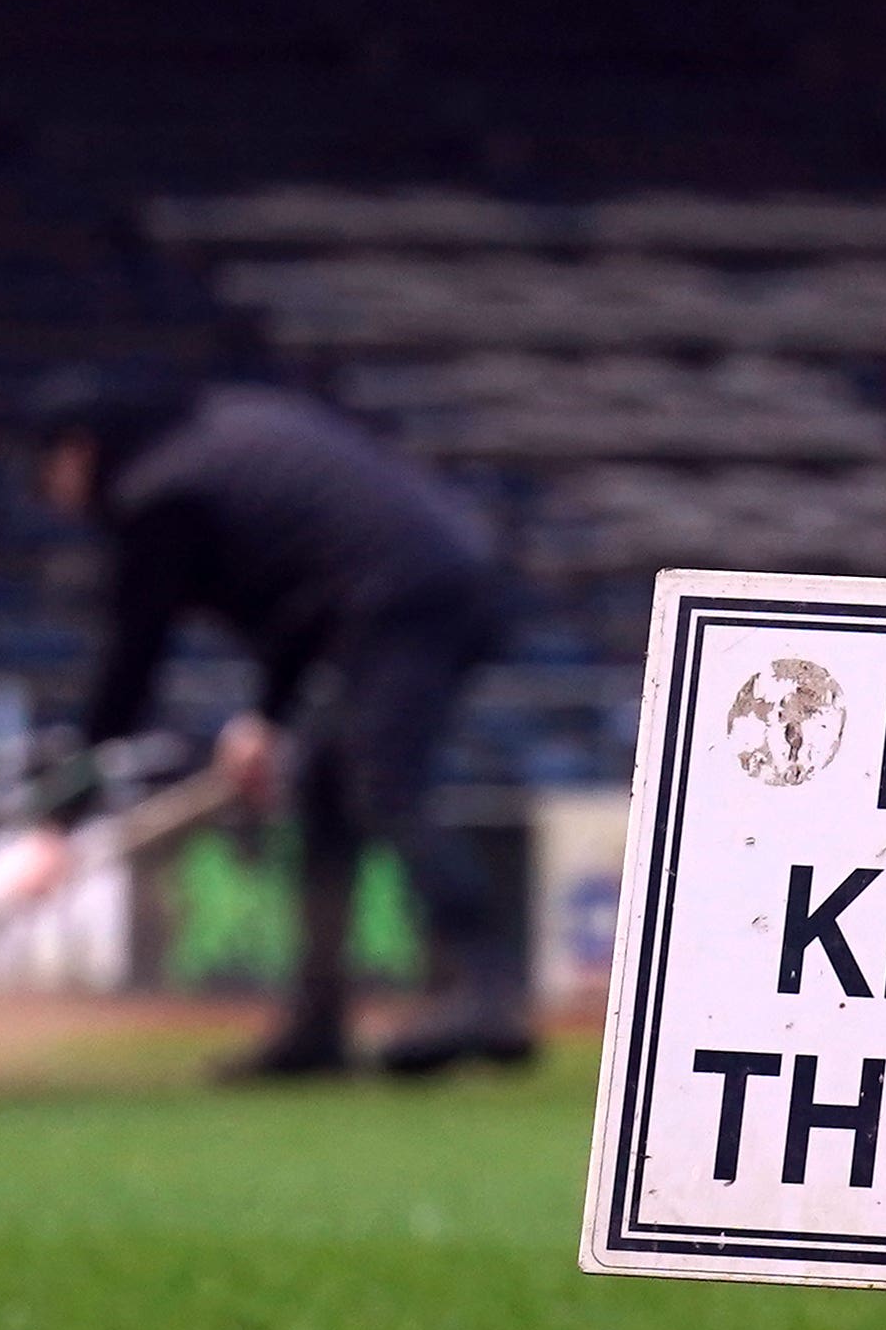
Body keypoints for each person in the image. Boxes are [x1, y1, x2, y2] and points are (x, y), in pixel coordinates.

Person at [29, 372, 531, 1080]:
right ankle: (317, 1029)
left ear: (78, 451)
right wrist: (267, 717)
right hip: (423, 582)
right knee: (326, 794)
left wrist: (60, 820)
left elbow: (133, 660)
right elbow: (303, 599)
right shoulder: (229, 430)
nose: (53, 493)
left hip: (406, 597)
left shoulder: (160, 495)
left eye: (49, 469)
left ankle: (485, 992)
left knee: (382, 787)